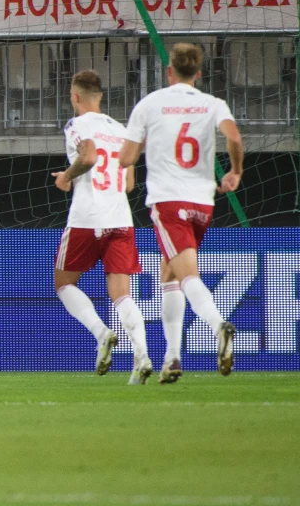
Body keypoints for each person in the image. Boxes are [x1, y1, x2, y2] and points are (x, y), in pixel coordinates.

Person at [119, 43, 242, 382]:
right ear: (198, 73)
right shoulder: (212, 103)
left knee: (187, 276)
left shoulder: (150, 104)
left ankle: (219, 326)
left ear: (168, 71)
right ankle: (172, 358)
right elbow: (234, 137)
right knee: (170, 273)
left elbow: (126, 159)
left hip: (169, 202)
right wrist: (235, 171)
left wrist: (142, 141)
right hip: (203, 203)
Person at [52, 71, 152, 384]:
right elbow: (131, 182)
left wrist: (66, 176)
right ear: (101, 96)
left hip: (86, 218)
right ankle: (143, 356)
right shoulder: (122, 131)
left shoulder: (76, 125)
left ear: (75, 96)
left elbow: (90, 156)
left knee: (64, 283)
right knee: (121, 294)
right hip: (120, 219)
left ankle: (101, 332)